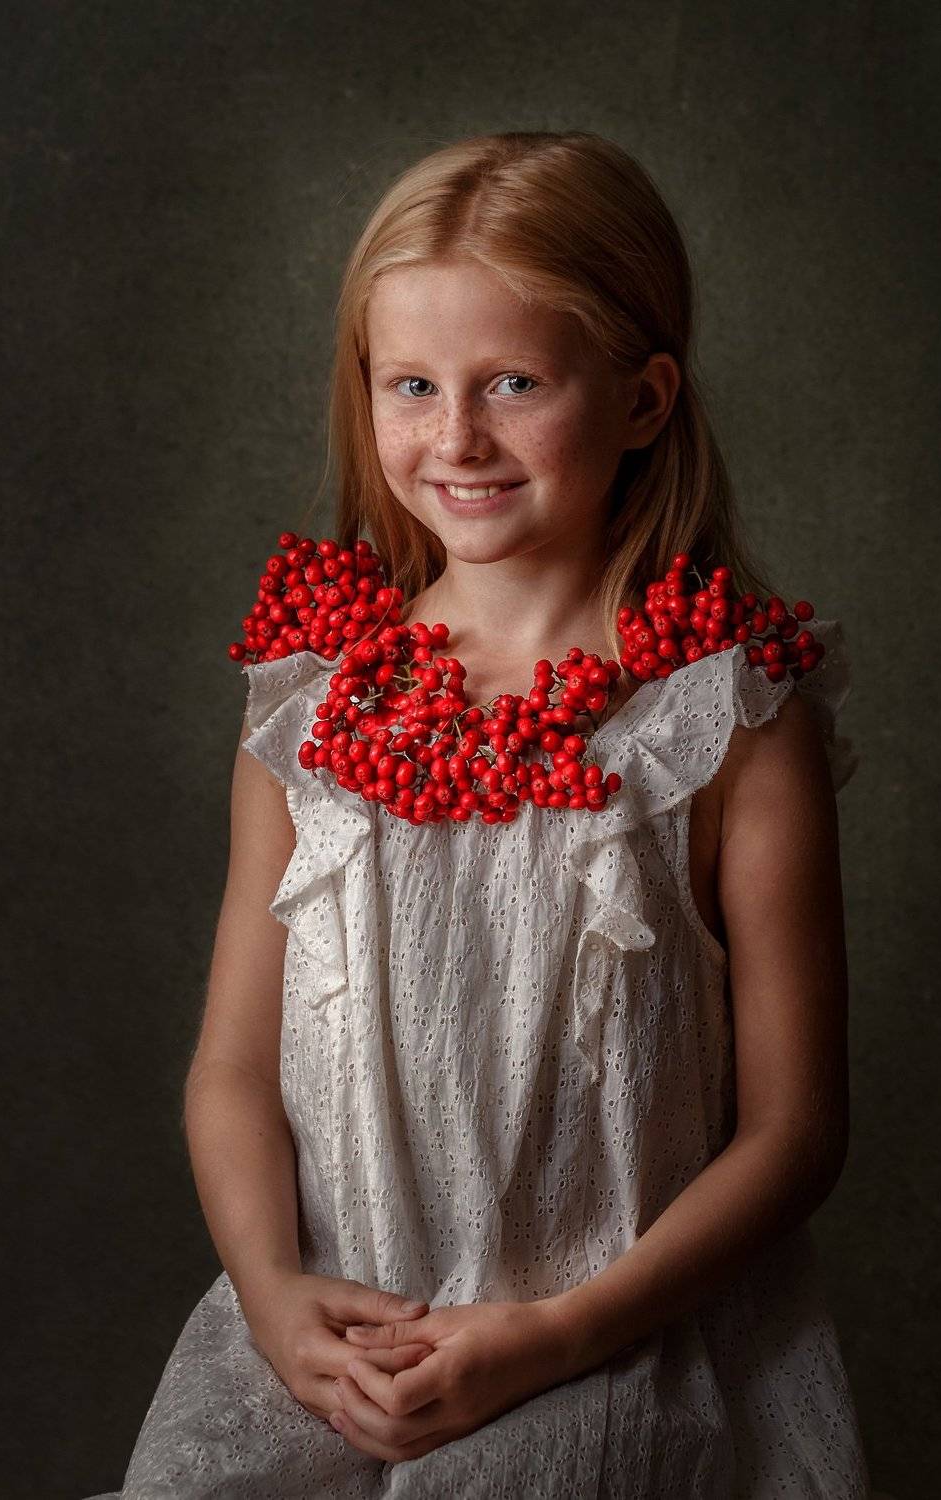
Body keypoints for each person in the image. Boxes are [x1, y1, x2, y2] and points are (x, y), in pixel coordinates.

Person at [89, 130, 877, 1498]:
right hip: (326, 1361)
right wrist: (273, 1297)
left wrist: (562, 1333)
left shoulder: (726, 726)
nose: (455, 437)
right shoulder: (311, 706)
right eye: (412, 385)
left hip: (614, 1360)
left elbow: (794, 1133)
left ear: (642, 400)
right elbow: (232, 1071)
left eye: (514, 382)